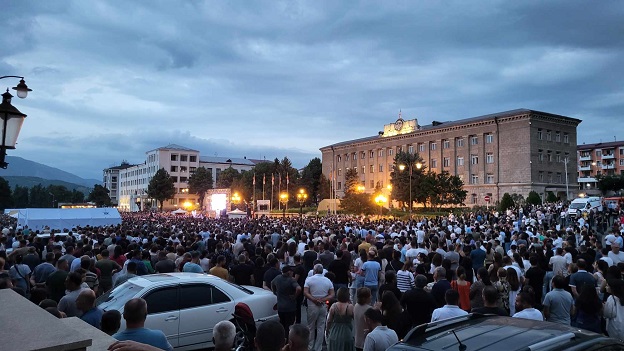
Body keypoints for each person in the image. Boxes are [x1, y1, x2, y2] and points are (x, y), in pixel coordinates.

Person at [304, 264, 334, 351]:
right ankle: (318, 347)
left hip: (312, 305)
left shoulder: (309, 280)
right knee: (321, 326)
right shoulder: (327, 280)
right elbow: (332, 294)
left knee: (311, 326)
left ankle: (310, 346)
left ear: (314, 270)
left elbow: (305, 292)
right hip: (323, 305)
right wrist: (323, 299)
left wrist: (314, 300)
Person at [271, 265, 301, 335]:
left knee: (282, 324)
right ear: (289, 272)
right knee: (289, 325)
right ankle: (288, 340)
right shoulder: (291, 280)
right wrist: (295, 296)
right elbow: (299, 288)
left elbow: (272, 283)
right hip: (290, 307)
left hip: (280, 307)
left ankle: (283, 338)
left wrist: (274, 292)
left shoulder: (277, 278)